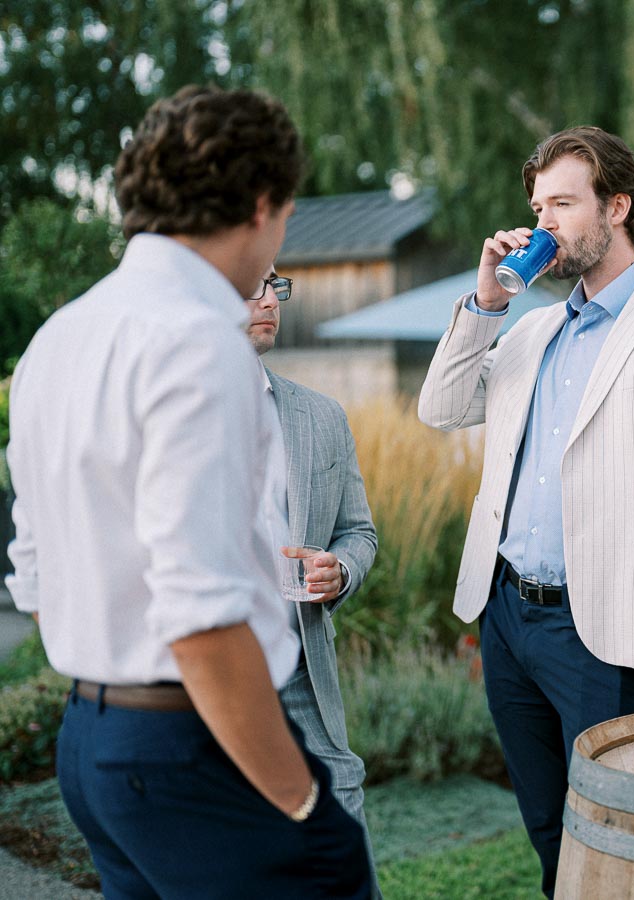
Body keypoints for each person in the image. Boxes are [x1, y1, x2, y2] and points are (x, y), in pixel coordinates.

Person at [4, 86, 371, 898]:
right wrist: (303, 800)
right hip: (193, 748)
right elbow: (202, 618)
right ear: (263, 205)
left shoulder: (56, 339)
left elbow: (35, 572)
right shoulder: (202, 346)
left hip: (92, 743)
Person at [417, 125, 634, 896]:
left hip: (608, 629)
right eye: (538, 207)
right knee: (545, 830)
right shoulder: (529, 330)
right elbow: (440, 407)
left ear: (619, 207)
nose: (544, 224)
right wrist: (485, 300)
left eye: (562, 204)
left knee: (615, 837)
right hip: (506, 619)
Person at [245, 269, 383, 895]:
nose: (269, 300)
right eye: (252, 286)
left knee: (346, 851)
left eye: (275, 286)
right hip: (210, 676)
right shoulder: (172, 411)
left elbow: (360, 532)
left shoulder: (321, 415)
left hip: (303, 668)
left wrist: (341, 568)